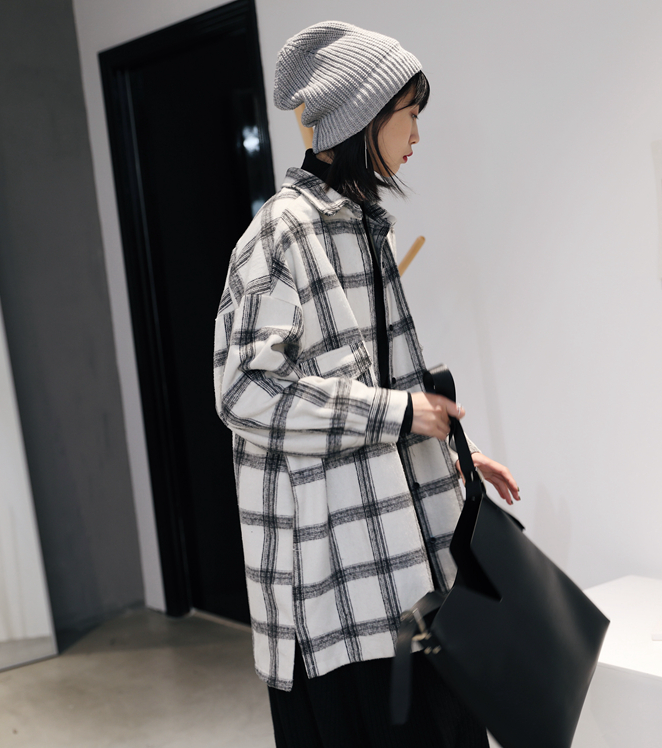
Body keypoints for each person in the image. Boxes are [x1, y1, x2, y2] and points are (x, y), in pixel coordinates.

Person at [213, 21, 519, 747]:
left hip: (403, 569)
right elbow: (244, 390)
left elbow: (378, 385)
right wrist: (399, 414)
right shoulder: (281, 234)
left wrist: (450, 455)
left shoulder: (362, 226)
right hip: (334, 590)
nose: (416, 134)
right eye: (408, 113)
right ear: (362, 117)